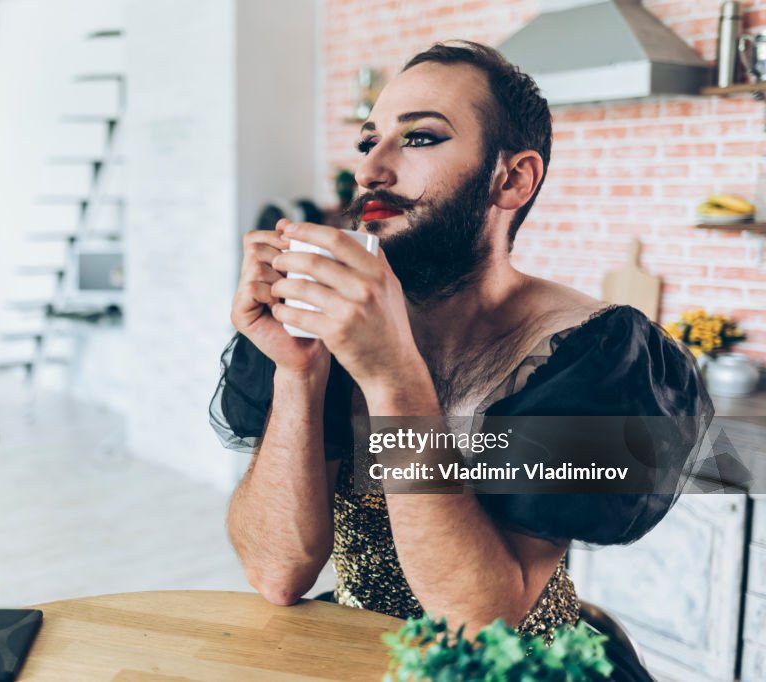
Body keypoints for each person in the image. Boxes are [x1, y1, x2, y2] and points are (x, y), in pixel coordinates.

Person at [208, 40, 711, 657]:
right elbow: (277, 572)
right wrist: (298, 369)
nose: (370, 170)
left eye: (418, 138)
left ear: (512, 178)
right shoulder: (330, 326)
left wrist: (394, 377)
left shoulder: (598, 355)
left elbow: (480, 623)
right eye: (369, 140)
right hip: (356, 658)